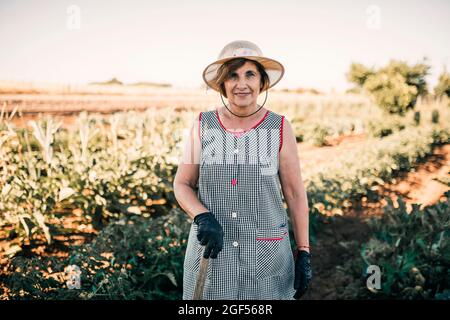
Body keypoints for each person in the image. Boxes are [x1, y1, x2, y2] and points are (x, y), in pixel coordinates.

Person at [173, 40, 312, 300]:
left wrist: (303, 250)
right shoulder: (202, 125)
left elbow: (294, 194)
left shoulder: (280, 127)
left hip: (266, 255)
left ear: (262, 82)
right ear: (223, 84)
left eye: (250, 74)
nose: (242, 84)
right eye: (233, 76)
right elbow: (182, 184)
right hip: (213, 255)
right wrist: (202, 216)